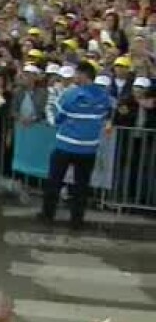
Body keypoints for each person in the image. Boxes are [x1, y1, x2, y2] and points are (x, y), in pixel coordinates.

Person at [39, 61, 112, 230]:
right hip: (89, 149)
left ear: (84, 75)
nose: (75, 77)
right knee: (81, 187)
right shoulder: (103, 97)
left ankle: (47, 214)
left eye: (77, 74)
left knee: (54, 182)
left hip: (65, 145)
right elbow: (105, 115)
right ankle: (76, 220)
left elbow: (58, 118)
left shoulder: (71, 94)